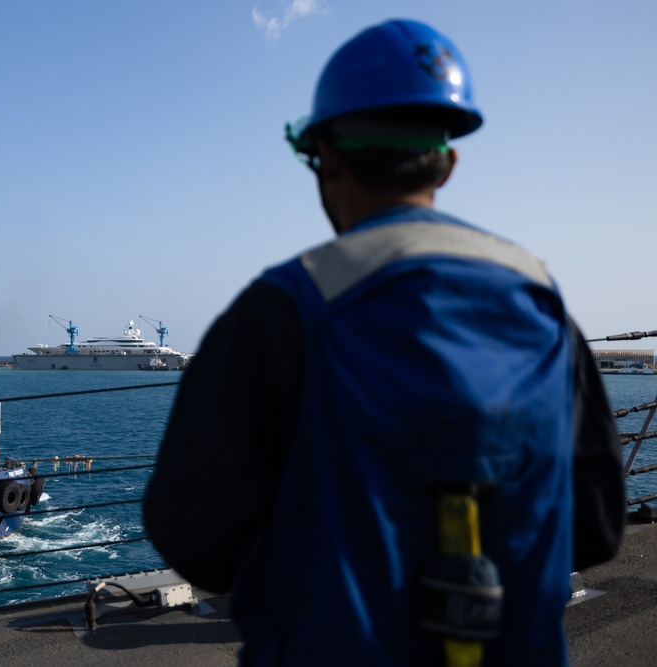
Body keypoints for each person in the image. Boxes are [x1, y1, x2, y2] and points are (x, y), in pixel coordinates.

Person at [143, 18, 625, 666]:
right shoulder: (542, 302)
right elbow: (595, 527)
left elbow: (191, 536)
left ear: (327, 157)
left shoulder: (279, 310)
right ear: (448, 163)